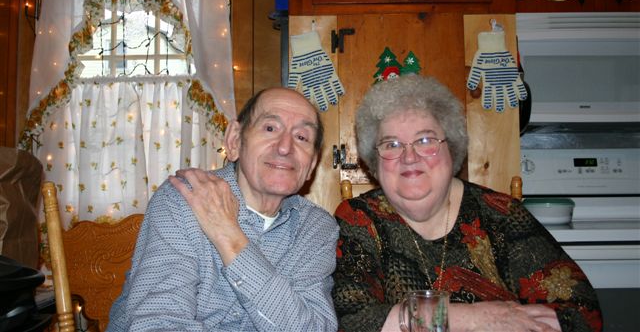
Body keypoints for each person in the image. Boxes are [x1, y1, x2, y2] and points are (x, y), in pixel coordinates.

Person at [332, 75, 601, 332]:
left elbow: (582, 312)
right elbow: (355, 320)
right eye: (391, 144)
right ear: (374, 161)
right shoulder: (359, 220)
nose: (409, 156)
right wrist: (476, 318)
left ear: (452, 149)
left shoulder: (502, 214)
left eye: (425, 140)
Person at [108, 88, 339, 331]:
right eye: (270, 128)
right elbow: (158, 323)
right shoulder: (185, 197)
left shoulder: (316, 228)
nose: (285, 147)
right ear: (235, 140)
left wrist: (229, 236)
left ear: (311, 164)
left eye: (302, 137)